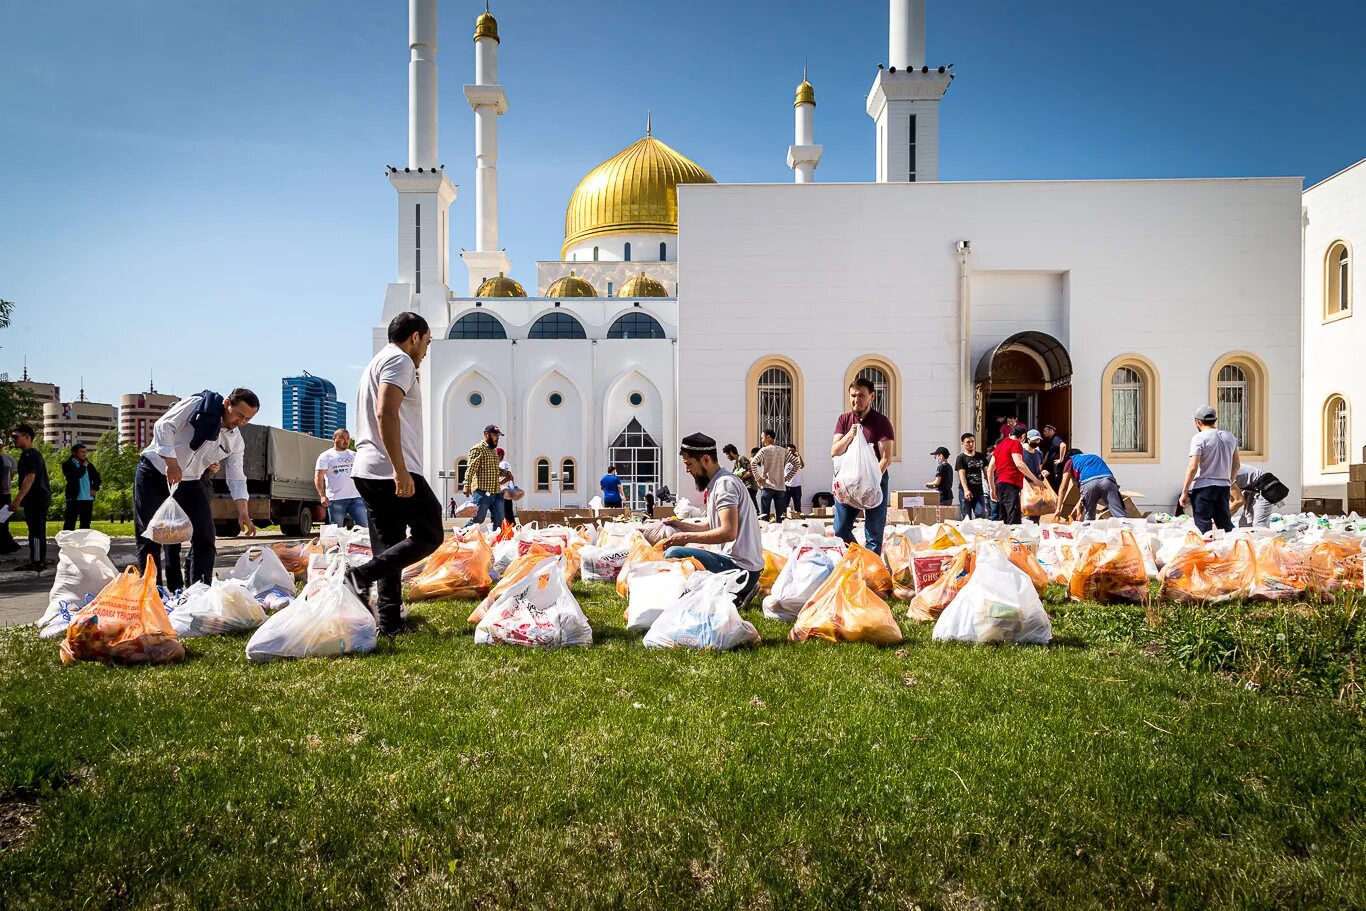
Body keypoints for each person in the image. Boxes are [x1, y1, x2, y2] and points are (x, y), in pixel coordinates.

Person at [347, 311, 444, 636]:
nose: (426, 351)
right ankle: (359, 576)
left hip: (368, 468)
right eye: (426, 342)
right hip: (390, 469)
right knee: (430, 533)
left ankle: (389, 621)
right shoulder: (400, 361)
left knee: (389, 545)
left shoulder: (373, 364)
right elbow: (385, 413)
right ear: (414, 337)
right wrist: (400, 470)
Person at [135, 390, 258, 590]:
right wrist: (171, 461)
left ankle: (200, 592)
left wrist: (243, 513)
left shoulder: (235, 441)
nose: (241, 421)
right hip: (154, 473)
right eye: (239, 415)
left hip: (190, 481)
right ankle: (152, 594)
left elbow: (236, 476)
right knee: (150, 535)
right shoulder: (197, 405)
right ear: (227, 403)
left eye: (247, 419)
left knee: (205, 535)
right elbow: (163, 426)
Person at [662, 432, 764, 608]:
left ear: (706, 460)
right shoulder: (718, 483)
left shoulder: (725, 484)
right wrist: (680, 525)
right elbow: (711, 525)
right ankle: (735, 592)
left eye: (689, 464)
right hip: (739, 567)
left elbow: (728, 532)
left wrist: (685, 538)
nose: (687, 470)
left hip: (741, 570)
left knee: (674, 554)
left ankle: (739, 589)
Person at [831, 376, 895, 554]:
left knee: (874, 533)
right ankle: (860, 556)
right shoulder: (844, 420)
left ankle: (870, 573)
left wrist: (872, 481)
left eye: (861, 396)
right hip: (847, 481)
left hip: (875, 480)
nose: (856, 400)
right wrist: (849, 436)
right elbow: (835, 450)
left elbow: (886, 457)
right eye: (853, 395)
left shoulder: (881, 422)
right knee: (840, 530)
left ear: (871, 397)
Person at [1180, 405, 1239, 534]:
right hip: (1223, 486)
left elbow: (1193, 467)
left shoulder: (1199, 438)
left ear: (1198, 421)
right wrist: (1229, 481)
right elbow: (1236, 464)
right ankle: (1230, 550)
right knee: (1225, 524)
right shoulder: (1230, 437)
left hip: (1204, 487)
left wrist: (1184, 491)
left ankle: (1206, 552)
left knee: (1203, 525)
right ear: (1215, 420)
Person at [10, 425, 51, 571]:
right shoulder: (30, 455)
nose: (12, 440)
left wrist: (18, 499)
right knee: (35, 530)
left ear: (27, 437)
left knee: (36, 531)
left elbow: (30, 477)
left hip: (37, 498)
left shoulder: (30, 455)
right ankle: (37, 559)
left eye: (15, 437)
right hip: (36, 498)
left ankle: (38, 561)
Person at [986, 423, 1043, 526]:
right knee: (1013, 516)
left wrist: (992, 488)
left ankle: (1005, 539)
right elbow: (1020, 464)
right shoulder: (1015, 443)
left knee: (1004, 516)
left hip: (1000, 484)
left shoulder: (999, 446)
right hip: (1011, 483)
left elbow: (990, 469)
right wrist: (1036, 480)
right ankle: (1014, 539)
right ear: (1023, 437)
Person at [315, 428, 368, 529]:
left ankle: (361, 545)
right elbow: (318, 477)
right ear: (334, 439)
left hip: (356, 498)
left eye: (348, 438)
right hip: (336, 500)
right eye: (342, 438)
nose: (346, 441)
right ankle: (336, 545)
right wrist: (322, 495)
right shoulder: (325, 456)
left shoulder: (354, 455)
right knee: (336, 530)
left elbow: (361, 474)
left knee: (365, 528)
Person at [1057, 448, 1126, 520]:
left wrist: (1058, 509)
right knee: (1119, 513)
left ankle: (1088, 527)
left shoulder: (1071, 460)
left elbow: (1063, 487)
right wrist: (1078, 504)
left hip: (1088, 484)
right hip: (1107, 481)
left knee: (1089, 516)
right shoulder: (1094, 457)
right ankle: (1125, 528)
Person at [462, 425, 505, 528]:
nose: (497, 438)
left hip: (495, 492)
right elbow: (471, 468)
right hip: (482, 492)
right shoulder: (478, 449)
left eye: (498, 436)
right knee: (478, 519)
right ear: (486, 434)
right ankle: (461, 536)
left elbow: (495, 469)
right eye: (495, 435)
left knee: (499, 520)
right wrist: (466, 485)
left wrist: (507, 473)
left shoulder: (493, 451)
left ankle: (496, 542)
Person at [61, 442, 101, 531]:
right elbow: (75, 477)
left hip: (87, 498)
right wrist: (83, 466)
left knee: (86, 524)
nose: (84, 454)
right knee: (70, 523)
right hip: (74, 498)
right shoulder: (67, 464)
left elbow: (97, 478)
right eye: (81, 452)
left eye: (85, 452)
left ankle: (83, 544)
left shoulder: (88, 464)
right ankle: (67, 543)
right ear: (74, 453)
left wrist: (94, 488)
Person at [752, 429, 790, 520]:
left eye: (762, 437)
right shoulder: (783, 451)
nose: (762, 440)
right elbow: (797, 463)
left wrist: (758, 478)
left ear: (768, 437)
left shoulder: (764, 450)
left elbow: (753, 463)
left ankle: (766, 534)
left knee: (765, 516)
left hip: (767, 486)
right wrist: (787, 478)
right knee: (780, 517)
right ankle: (780, 533)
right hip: (780, 487)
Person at [955, 433, 988, 520]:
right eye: (968, 442)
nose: (970, 444)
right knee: (966, 516)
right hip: (965, 491)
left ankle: (980, 533)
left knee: (980, 514)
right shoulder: (961, 458)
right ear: (962, 443)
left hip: (979, 491)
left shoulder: (980, 456)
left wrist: (992, 487)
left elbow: (986, 472)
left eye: (972, 441)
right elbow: (961, 475)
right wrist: (966, 490)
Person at [0, 447, 18, 553]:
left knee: (4, 519)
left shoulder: (8, 458)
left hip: (5, 493)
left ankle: (5, 544)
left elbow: (12, 474)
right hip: (4, 492)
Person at [1040, 424, 1068, 490]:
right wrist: (1042, 464)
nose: (1044, 433)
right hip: (1050, 467)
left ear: (1051, 431)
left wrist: (1061, 459)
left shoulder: (1055, 438)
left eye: (1045, 431)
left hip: (1056, 467)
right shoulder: (1050, 440)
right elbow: (1048, 453)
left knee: (1056, 485)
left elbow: (1063, 445)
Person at [497, 447, 518, 526]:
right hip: (500, 491)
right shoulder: (499, 464)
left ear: (500, 455)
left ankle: (513, 529)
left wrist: (497, 484)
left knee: (507, 513)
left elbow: (508, 477)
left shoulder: (503, 464)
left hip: (504, 491)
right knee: (501, 513)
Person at [784, 443, 804, 516]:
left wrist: (798, 456)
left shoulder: (797, 460)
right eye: (789, 450)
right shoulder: (784, 460)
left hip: (796, 487)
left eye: (792, 450)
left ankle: (798, 520)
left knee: (797, 506)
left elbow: (801, 465)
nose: (791, 452)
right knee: (784, 506)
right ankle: (784, 519)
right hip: (786, 486)